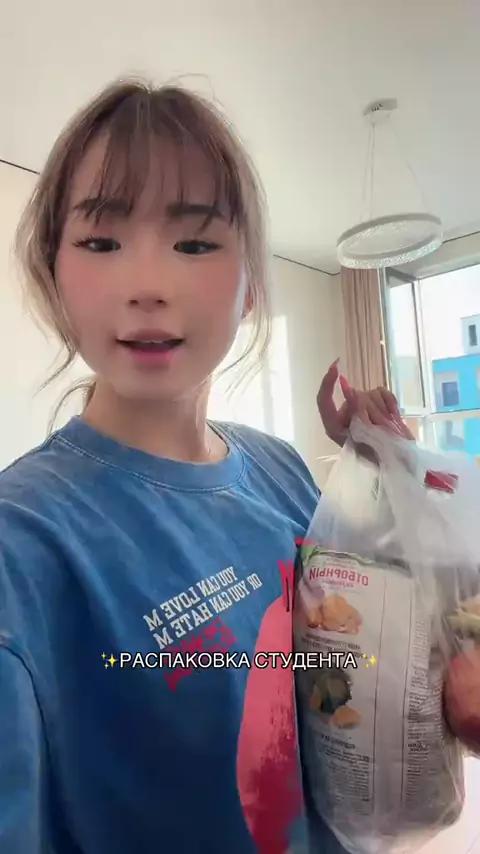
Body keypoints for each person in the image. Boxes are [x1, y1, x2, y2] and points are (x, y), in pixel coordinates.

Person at [0, 78, 410, 854]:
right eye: (100, 243)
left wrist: (386, 477)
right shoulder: (22, 544)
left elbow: (357, 657)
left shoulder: (279, 467)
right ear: (52, 271)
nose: (148, 287)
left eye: (194, 244)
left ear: (250, 283)